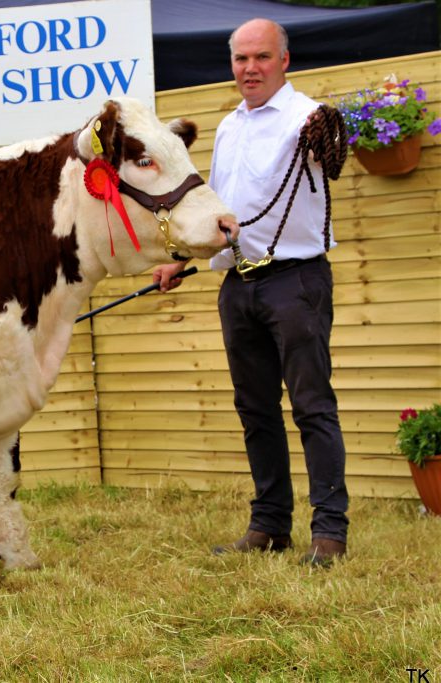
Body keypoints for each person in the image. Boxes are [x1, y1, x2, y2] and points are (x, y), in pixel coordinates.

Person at [153, 18, 348, 567]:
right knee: (254, 408)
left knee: (312, 406)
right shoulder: (230, 126)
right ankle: (270, 525)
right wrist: (181, 260)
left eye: (261, 57)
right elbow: (223, 211)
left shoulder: (307, 117)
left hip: (296, 281)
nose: (250, 69)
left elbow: (330, 153)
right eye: (241, 59)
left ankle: (329, 533)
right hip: (238, 284)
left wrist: (329, 132)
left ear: (284, 60)